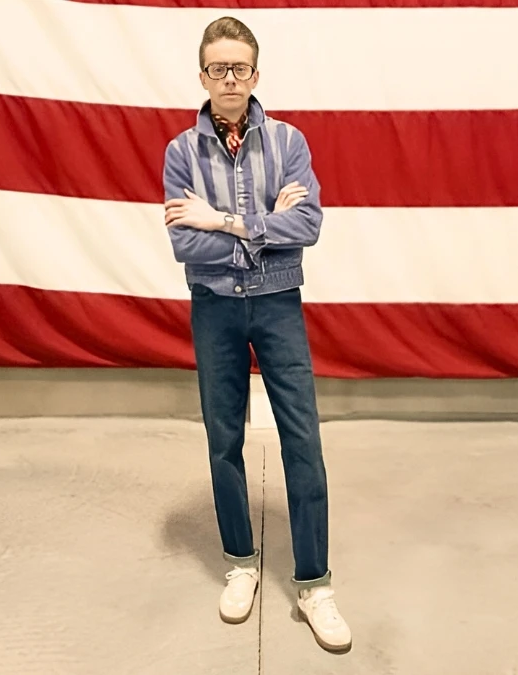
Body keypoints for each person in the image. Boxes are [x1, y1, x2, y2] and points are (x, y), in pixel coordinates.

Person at [160, 16, 352, 654]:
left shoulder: (290, 141)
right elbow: (185, 244)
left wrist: (222, 220)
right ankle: (240, 563)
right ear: (203, 76)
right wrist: (265, 221)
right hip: (214, 308)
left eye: (240, 67)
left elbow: (311, 226)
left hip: (278, 306)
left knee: (303, 439)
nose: (229, 79)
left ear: (256, 74)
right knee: (224, 438)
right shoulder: (180, 153)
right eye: (218, 68)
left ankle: (314, 583)